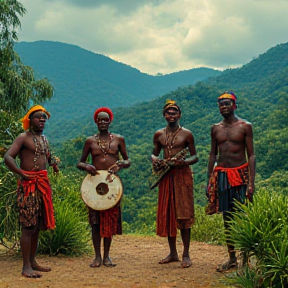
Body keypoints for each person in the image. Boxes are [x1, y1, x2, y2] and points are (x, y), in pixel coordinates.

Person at [4, 105, 59, 278]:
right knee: (28, 226)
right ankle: (26, 266)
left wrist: (53, 163)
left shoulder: (44, 139)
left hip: (42, 185)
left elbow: (48, 156)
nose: (42, 120)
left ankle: (33, 261)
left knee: (36, 226)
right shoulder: (23, 138)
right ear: (29, 120)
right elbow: (8, 157)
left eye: (44, 118)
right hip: (28, 186)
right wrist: (21, 173)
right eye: (38, 117)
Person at [206, 91, 255, 272]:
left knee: (243, 217)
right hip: (222, 176)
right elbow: (213, 154)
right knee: (227, 217)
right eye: (221, 104)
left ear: (235, 105)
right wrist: (209, 179)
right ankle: (232, 258)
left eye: (227, 103)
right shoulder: (215, 128)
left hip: (240, 175)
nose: (224, 107)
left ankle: (246, 259)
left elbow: (251, 154)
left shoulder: (245, 126)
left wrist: (251, 182)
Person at [77, 107, 131, 268]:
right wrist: (87, 167)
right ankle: (97, 257)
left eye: (105, 120)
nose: (102, 122)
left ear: (110, 121)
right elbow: (80, 162)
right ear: (96, 121)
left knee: (109, 221)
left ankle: (107, 256)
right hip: (94, 186)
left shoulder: (119, 140)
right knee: (95, 222)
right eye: (99, 120)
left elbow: (128, 161)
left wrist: (119, 164)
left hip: (112, 185)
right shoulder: (90, 141)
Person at [151, 100, 198, 268]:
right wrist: (156, 161)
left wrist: (182, 162)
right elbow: (154, 154)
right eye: (168, 112)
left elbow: (195, 157)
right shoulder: (159, 134)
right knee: (169, 213)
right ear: (164, 115)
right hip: (166, 176)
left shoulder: (187, 134)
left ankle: (186, 254)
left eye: (174, 112)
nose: (171, 114)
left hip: (182, 176)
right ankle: (173, 253)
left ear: (179, 115)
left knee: (183, 214)